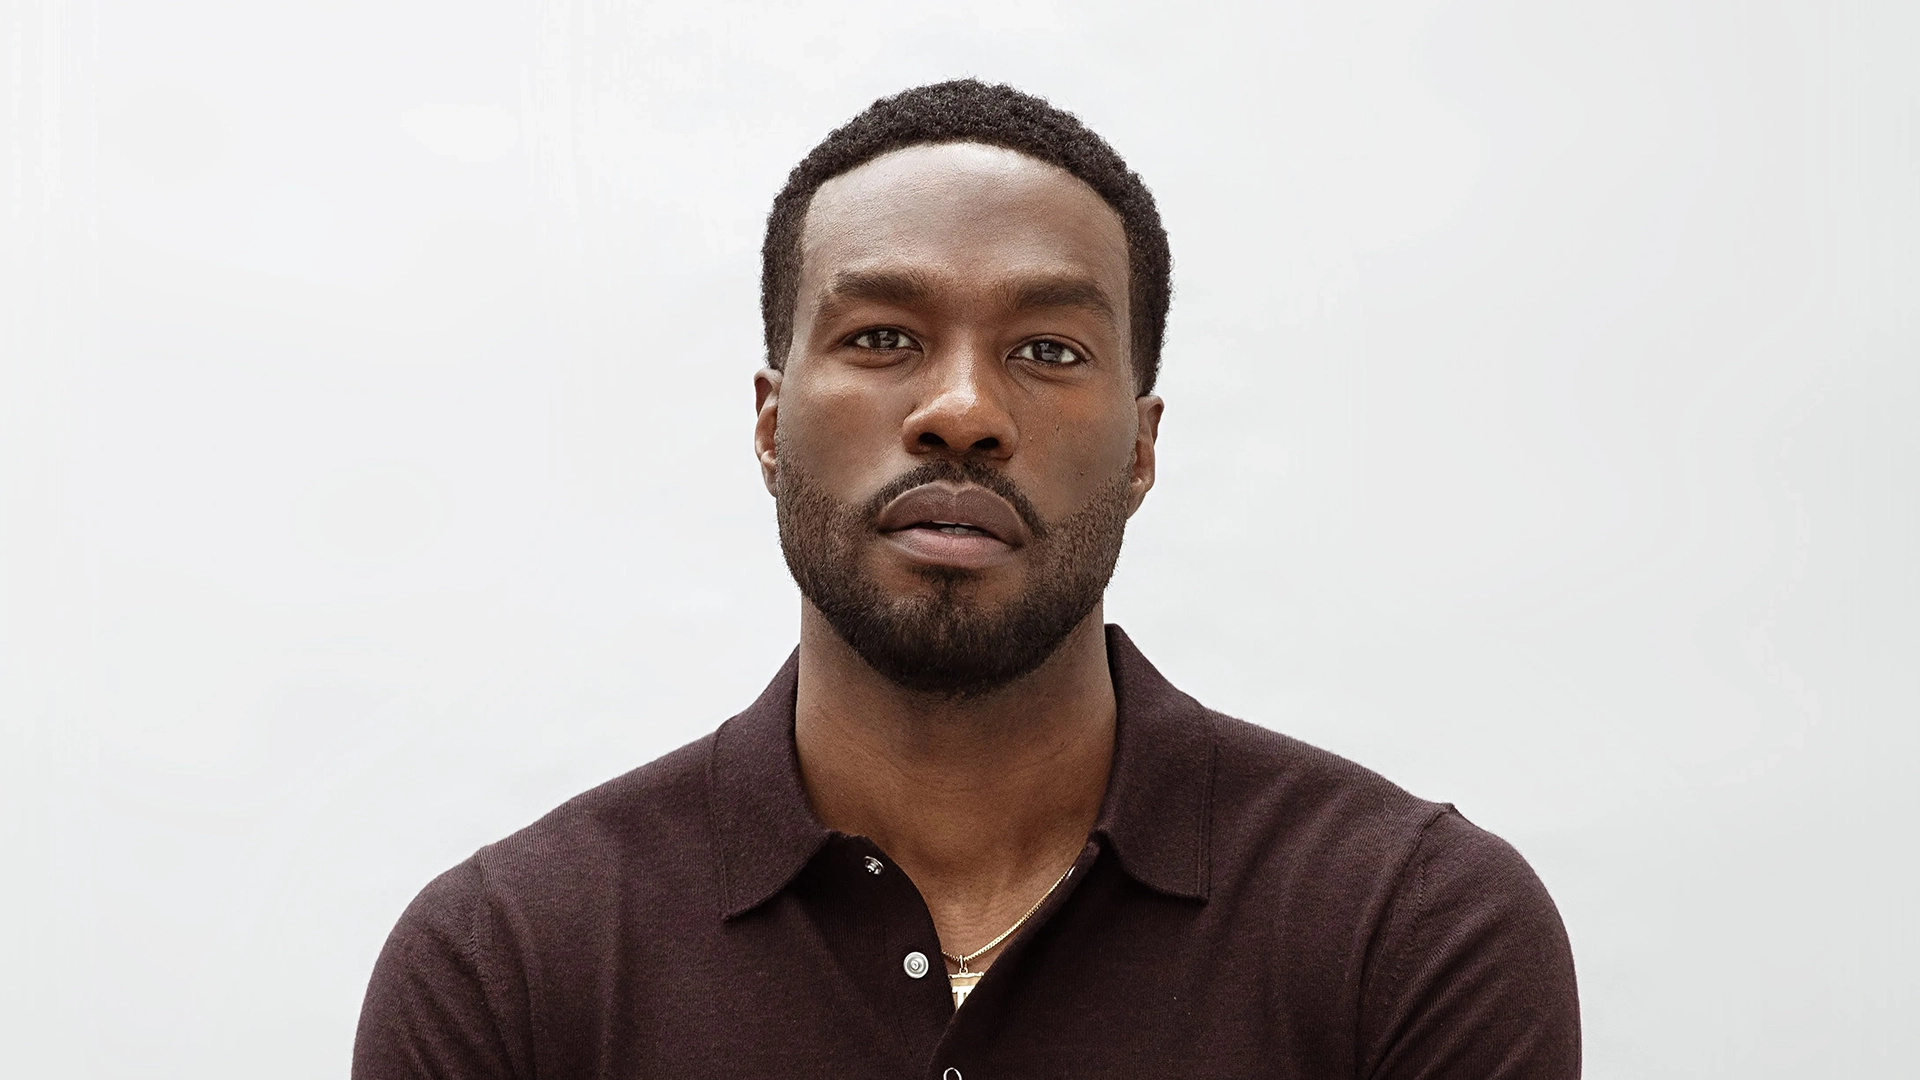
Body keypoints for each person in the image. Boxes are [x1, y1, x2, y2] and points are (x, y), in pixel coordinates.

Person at [352, 79, 1580, 1079]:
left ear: (1142, 448)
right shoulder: (509, 966)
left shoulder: (1409, 930)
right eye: (883, 337)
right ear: (771, 426)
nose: (961, 410)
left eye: (1047, 348)